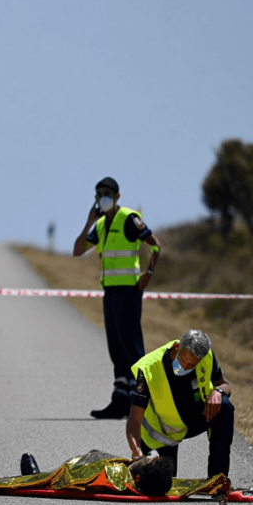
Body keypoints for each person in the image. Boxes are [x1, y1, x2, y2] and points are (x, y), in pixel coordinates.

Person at [73, 177, 162, 419]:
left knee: (132, 347)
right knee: (116, 347)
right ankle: (120, 400)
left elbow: (155, 245)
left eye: (107, 192)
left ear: (117, 196)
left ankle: (142, 402)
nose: (103, 196)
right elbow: (77, 250)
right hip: (110, 292)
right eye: (99, 193)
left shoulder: (129, 219)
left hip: (129, 291)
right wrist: (89, 222)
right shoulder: (100, 225)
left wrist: (149, 273)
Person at [124, 330, 235, 479]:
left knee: (225, 407)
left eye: (192, 364)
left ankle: (218, 479)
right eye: (184, 360)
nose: (186, 366)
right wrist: (137, 452)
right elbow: (134, 420)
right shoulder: (149, 369)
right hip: (163, 432)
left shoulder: (206, 356)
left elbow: (224, 384)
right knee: (162, 482)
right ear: (177, 347)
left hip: (195, 418)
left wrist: (218, 392)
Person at [19, 450, 177, 496]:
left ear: (137, 477)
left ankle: (36, 477)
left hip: (69, 477)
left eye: (145, 460)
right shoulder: (134, 475)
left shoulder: (117, 476)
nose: (143, 457)